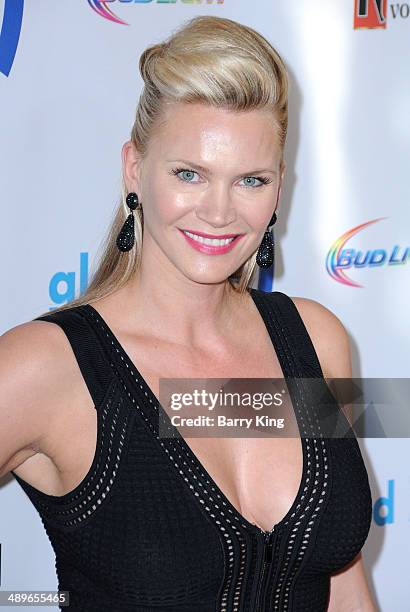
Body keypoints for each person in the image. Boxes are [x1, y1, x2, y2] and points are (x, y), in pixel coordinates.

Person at [0, 15, 376, 612]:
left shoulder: (315, 339)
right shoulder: (43, 369)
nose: (219, 211)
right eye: (189, 174)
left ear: (280, 188)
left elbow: (343, 587)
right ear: (134, 169)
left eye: (250, 179)